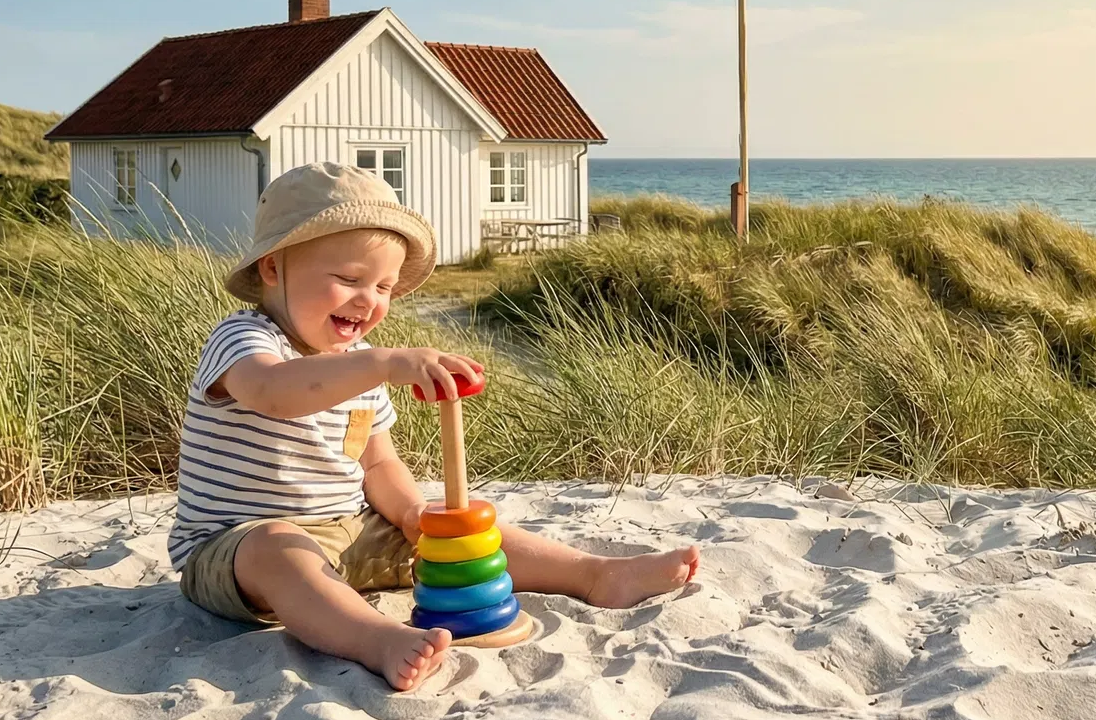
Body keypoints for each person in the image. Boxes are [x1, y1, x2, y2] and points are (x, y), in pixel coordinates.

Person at [169, 162, 700, 690]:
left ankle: (593, 573)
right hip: (234, 550)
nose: (368, 299)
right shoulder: (245, 339)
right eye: (348, 279)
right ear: (272, 268)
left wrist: (410, 513)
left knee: (459, 534)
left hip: (349, 531)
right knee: (279, 548)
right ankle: (376, 638)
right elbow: (274, 392)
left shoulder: (359, 362)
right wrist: (382, 363)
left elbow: (377, 461)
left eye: (384, 286)